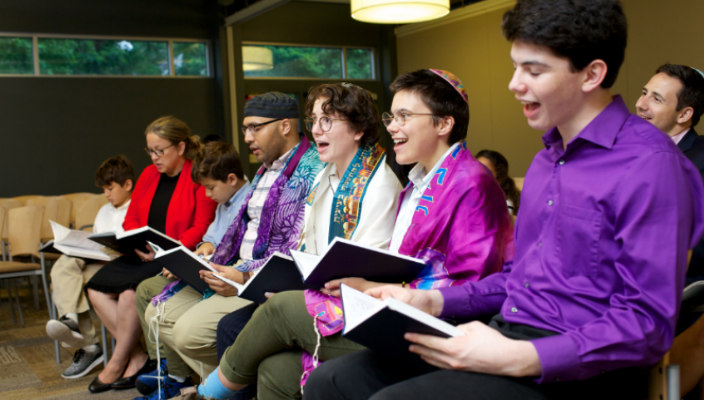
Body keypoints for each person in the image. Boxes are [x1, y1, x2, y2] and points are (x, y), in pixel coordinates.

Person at [303, 1, 704, 399]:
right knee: (333, 381)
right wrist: (428, 299)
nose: (514, 84)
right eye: (516, 67)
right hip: (507, 330)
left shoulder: (652, 164)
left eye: (534, 70)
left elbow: (646, 324)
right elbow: (518, 279)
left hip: (581, 368)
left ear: (591, 74)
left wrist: (520, 356)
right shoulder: (548, 161)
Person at [198, 69, 514, 400]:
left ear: (443, 124)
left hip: (427, 324)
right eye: (392, 116)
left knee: (278, 312)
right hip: (386, 304)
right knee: (274, 369)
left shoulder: (469, 182)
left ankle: (210, 393)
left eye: (404, 116)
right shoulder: (417, 182)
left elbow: (469, 285)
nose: (392, 126)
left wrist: (381, 290)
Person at [135, 92, 323, 399]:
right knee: (161, 312)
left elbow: (295, 248)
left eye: (255, 127)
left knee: (188, 332)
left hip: (262, 277)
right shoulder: (265, 169)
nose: (247, 137)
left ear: (286, 126)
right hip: (238, 267)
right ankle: (215, 385)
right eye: (245, 129)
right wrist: (216, 261)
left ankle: (217, 387)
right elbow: (237, 233)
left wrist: (241, 277)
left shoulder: (311, 170)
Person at [84, 116, 217, 393]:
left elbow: (201, 226)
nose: (154, 157)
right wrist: (139, 243)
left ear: (180, 148)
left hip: (173, 256)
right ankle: (136, 356)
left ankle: (118, 361)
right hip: (143, 252)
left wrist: (165, 250)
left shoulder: (196, 176)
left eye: (160, 150)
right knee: (95, 289)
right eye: (150, 151)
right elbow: (131, 219)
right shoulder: (147, 175)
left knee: (130, 294)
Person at [133, 140, 251, 399]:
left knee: (182, 327)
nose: (207, 195)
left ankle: (220, 384)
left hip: (229, 278)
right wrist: (204, 247)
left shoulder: (249, 203)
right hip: (212, 272)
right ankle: (209, 382)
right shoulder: (225, 202)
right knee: (155, 309)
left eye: (210, 188)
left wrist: (205, 254)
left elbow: (241, 257)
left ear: (231, 179)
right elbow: (210, 237)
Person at [636, 64, 704, 398]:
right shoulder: (630, 155)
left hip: (681, 290)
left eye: (656, 98)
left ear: (684, 114)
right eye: (643, 92)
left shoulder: (700, 161)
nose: (641, 104)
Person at [45, 155, 135, 380]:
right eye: (103, 189)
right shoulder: (104, 211)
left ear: (127, 185)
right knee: (64, 266)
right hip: (97, 261)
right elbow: (96, 238)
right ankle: (72, 321)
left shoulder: (137, 207)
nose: (106, 194)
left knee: (67, 281)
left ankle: (87, 344)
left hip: (122, 264)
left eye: (110, 188)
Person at [475, 149, 521, 215]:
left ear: (499, 178)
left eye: (486, 171)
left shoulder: (505, 205)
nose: (478, 175)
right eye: (476, 169)